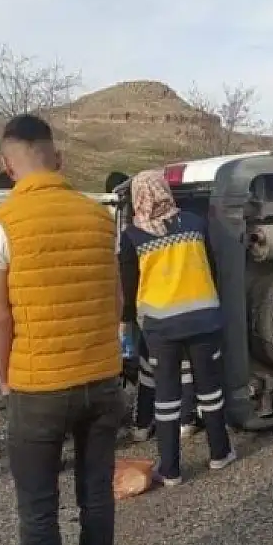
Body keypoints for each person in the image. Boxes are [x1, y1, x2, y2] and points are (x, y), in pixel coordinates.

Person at [0, 114, 125, 545]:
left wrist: (1, 375)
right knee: (97, 495)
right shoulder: (99, 218)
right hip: (101, 380)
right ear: (57, 159)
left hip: (37, 388)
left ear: (8, 166)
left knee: (38, 507)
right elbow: (118, 300)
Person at [119, 169, 235, 485]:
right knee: (209, 390)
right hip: (203, 320)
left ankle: (170, 470)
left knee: (166, 397)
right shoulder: (196, 224)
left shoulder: (133, 236)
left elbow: (128, 291)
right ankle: (219, 454)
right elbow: (212, 268)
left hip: (161, 328)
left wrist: (127, 327)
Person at [105, 170, 201, 443]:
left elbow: (129, 282)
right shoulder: (190, 224)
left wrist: (125, 320)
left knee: (149, 368)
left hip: (154, 314)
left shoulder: (134, 235)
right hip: (192, 309)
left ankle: (143, 423)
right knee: (184, 367)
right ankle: (187, 419)